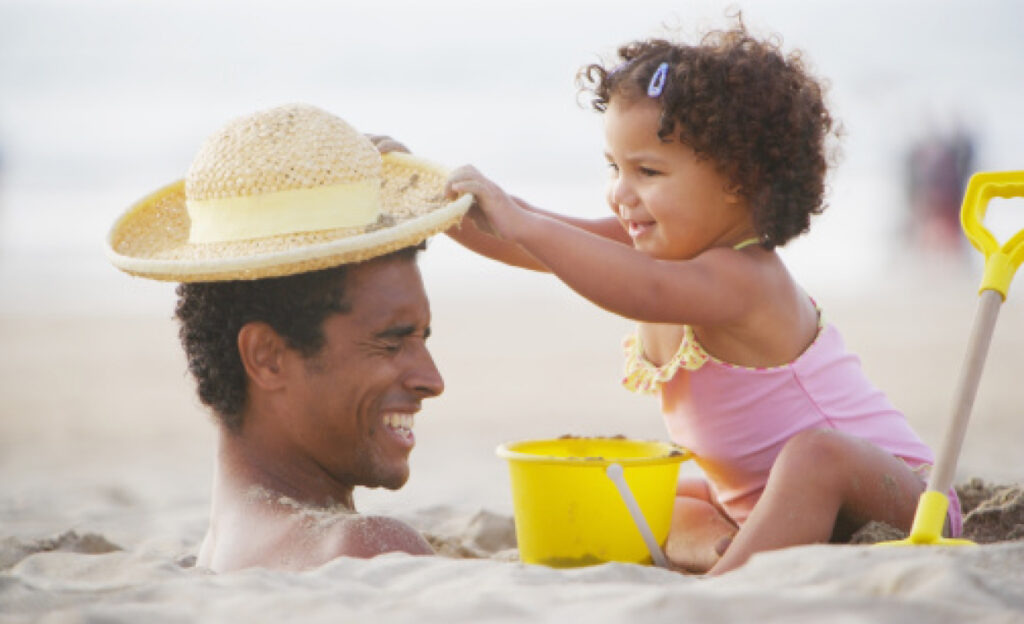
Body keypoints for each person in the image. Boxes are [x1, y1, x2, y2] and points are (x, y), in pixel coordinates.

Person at [440, 21, 962, 575]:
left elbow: (629, 285)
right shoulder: (662, 246)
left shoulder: (746, 279)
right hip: (756, 502)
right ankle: (727, 548)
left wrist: (520, 223)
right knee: (654, 495)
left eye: (647, 171)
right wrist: (437, 211)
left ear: (739, 180)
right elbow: (538, 239)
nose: (621, 193)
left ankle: (727, 584)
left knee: (814, 454)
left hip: (896, 494)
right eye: (614, 168)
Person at [105, 104, 471, 572]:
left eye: (423, 338)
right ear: (268, 357)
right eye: (391, 342)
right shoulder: (366, 549)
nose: (432, 379)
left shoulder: (225, 551)